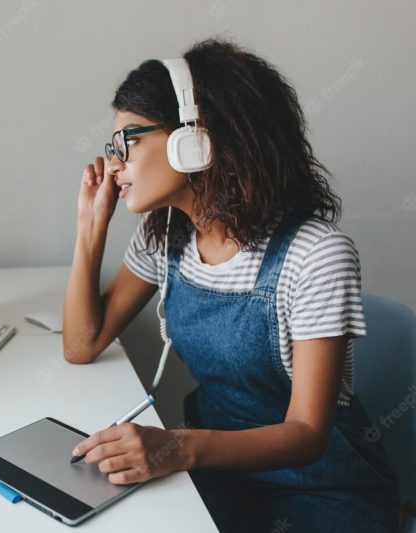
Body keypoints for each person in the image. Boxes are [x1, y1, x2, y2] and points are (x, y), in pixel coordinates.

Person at [63, 39, 400, 532]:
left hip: (321, 490)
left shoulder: (316, 255)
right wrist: (90, 232)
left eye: (128, 140)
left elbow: (307, 433)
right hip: (217, 472)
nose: (113, 164)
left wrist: (177, 447)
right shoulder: (165, 235)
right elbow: (81, 345)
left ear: (196, 138)